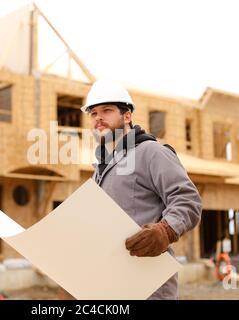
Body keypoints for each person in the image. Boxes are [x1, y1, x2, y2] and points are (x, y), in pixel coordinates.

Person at [81, 79, 202, 300]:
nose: (98, 117)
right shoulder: (101, 168)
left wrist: (166, 230)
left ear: (127, 116)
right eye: (93, 113)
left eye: (106, 110)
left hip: (149, 285)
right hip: (114, 284)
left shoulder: (151, 152)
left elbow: (188, 199)